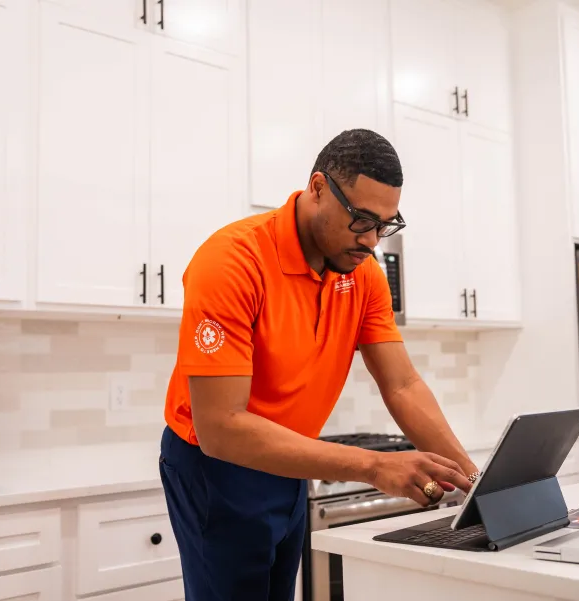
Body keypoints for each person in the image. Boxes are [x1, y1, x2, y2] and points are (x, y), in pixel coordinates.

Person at [159, 129, 480, 601]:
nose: (372, 240)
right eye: (362, 220)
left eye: (386, 224)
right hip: (215, 467)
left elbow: (403, 384)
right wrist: (374, 467)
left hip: (289, 459)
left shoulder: (362, 271)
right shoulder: (232, 261)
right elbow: (221, 427)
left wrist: (476, 482)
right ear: (317, 188)